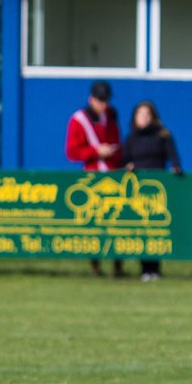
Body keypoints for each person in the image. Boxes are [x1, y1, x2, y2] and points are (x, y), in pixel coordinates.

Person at [66, 80, 123, 277]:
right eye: (99, 101)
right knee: (95, 223)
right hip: (92, 176)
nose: (103, 105)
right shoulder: (78, 120)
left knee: (116, 222)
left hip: (113, 174)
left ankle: (118, 264)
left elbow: (118, 143)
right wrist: (96, 151)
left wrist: (113, 151)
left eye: (105, 101)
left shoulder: (111, 117)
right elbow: (72, 152)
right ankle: (96, 265)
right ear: (91, 99)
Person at [121, 101, 182, 281]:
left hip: (157, 187)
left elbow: (173, 157)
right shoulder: (132, 138)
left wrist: (176, 168)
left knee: (156, 227)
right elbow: (124, 159)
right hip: (139, 187)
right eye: (141, 115)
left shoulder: (163, 135)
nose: (144, 118)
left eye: (147, 115)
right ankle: (144, 268)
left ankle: (155, 267)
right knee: (141, 228)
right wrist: (128, 166)